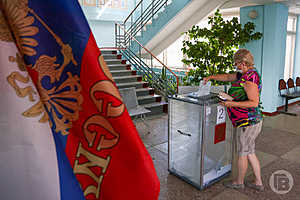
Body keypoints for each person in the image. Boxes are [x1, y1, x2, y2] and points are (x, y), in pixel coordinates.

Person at [203, 49, 264, 191]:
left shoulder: (250, 78)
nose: (235, 66)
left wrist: (230, 103)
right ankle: (258, 182)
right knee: (250, 151)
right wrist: (211, 77)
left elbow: (254, 102)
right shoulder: (243, 74)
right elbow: (227, 77)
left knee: (243, 152)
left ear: (243, 63)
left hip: (248, 122)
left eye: (236, 63)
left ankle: (239, 182)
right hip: (249, 121)